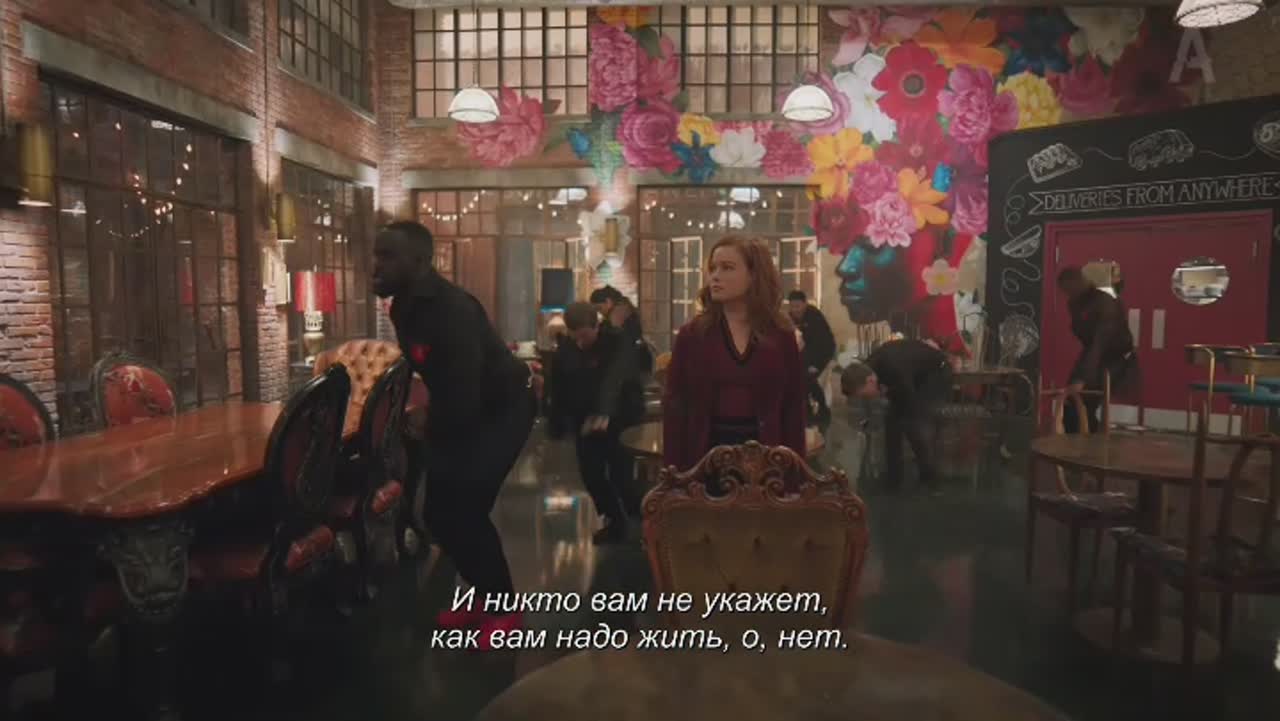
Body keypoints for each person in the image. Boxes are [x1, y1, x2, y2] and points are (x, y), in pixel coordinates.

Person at [372, 220, 536, 648]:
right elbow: (435, 374)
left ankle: (505, 609)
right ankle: (482, 595)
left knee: (463, 511)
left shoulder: (453, 310)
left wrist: (427, 423)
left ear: (420, 261)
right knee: (438, 515)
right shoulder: (402, 306)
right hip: (462, 409)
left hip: (503, 409)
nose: (376, 266)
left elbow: (465, 390)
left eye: (387, 256)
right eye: (376, 255)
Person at [663, 235, 807, 472]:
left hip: (767, 461)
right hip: (703, 459)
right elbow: (675, 406)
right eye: (713, 268)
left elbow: (793, 408)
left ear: (754, 275)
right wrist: (674, 475)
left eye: (727, 268)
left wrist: (796, 474)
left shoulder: (780, 335)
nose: (715, 276)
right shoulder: (693, 335)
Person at [549, 302, 645, 544]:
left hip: (621, 420)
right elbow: (558, 387)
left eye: (584, 336)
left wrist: (605, 412)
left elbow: (616, 380)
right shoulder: (567, 349)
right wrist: (557, 424)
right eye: (576, 337)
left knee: (622, 477)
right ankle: (615, 521)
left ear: (596, 326)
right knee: (591, 475)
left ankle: (643, 523)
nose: (580, 342)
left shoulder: (617, 342)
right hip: (585, 422)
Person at [842, 337, 952, 492]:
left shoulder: (894, 370)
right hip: (912, 375)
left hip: (936, 372)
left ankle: (930, 478)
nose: (865, 398)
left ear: (870, 381)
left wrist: (893, 399)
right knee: (892, 422)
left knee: (914, 425)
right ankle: (894, 477)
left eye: (863, 395)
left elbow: (909, 400)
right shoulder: (867, 368)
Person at [1056, 266, 1136, 433]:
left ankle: (1088, 440)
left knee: (1081, 400)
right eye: (1064, 291)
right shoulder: (1075, 303)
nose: (1066, 294)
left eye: (1068, 289)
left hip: (1116, 357)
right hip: (1093, 354)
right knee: (1072, 402)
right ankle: (1084, 437)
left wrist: (1082, 378)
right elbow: (1088, 341)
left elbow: (1099, 343)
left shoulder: (1105, 303)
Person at [787, 290, 837, 427]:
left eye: (798, 306)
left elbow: (820, 343)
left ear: (805, 304)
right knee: (798, 378)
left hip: (823, 351)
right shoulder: (790, 317)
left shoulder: (814, 316)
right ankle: (806, 411)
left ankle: (823, 410)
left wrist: (814, 364)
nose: (795, 310)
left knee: (807, 378)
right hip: (806, 351)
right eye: (792, 306)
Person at [590, 285, 652, 374]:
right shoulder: (626, 309)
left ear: (608, 302)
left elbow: (613, 341)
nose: (599, 312)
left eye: (599, 308)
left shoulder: (618, 314)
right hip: (638, 362)